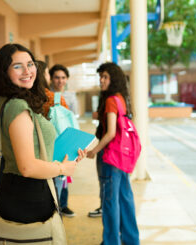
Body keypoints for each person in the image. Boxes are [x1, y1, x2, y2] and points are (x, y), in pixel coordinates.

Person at [0, 43, 85, 225]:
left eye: (30, 64)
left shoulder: (13, 101)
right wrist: (63, 169)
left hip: (24, 193)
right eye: (17, 66)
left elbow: (34, 152)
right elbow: (27, 167)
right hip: (27, 198)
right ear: (4, 72)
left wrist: (66, 159)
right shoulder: (17, 106)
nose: (27, 71)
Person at [87, 62, 140, 245]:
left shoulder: (110, 100)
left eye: (105, 77)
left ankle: (111, 242)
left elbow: (110, 132)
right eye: (100, 76)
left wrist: (94, 150)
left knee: (110, 203)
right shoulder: (120, 98)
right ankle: (131, 240)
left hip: (110, 157)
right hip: (122, 157)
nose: (101, 80)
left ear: (113, 79)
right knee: (125, 199)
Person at [49, 64, 78, 217]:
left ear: (66, 79)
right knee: (57, 175)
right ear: (51, 79)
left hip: (67, 139)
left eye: (63, 78)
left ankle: (63, 205)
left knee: (66, 174)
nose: (60, 81)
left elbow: (73, 120)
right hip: (53, 140)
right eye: (57, 77)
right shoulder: (47, 96)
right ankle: (56, 208)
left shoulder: (71, 97)